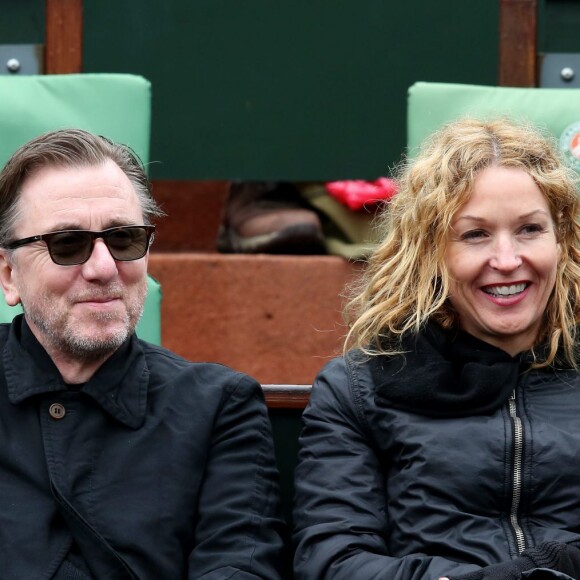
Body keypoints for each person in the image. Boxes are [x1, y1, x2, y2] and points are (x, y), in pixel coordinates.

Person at [292, 117, 580, 580]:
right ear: (430, 251)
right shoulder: (357, 390)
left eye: (530, 229)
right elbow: (333, 561)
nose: (507, 260)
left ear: (561, 238)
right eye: (475, 234)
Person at [0, 129, 286, 579]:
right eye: (67, 244)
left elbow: (239, 568)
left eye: (125, 239)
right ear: (8, 275)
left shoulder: (217, 409)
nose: (103, 268)